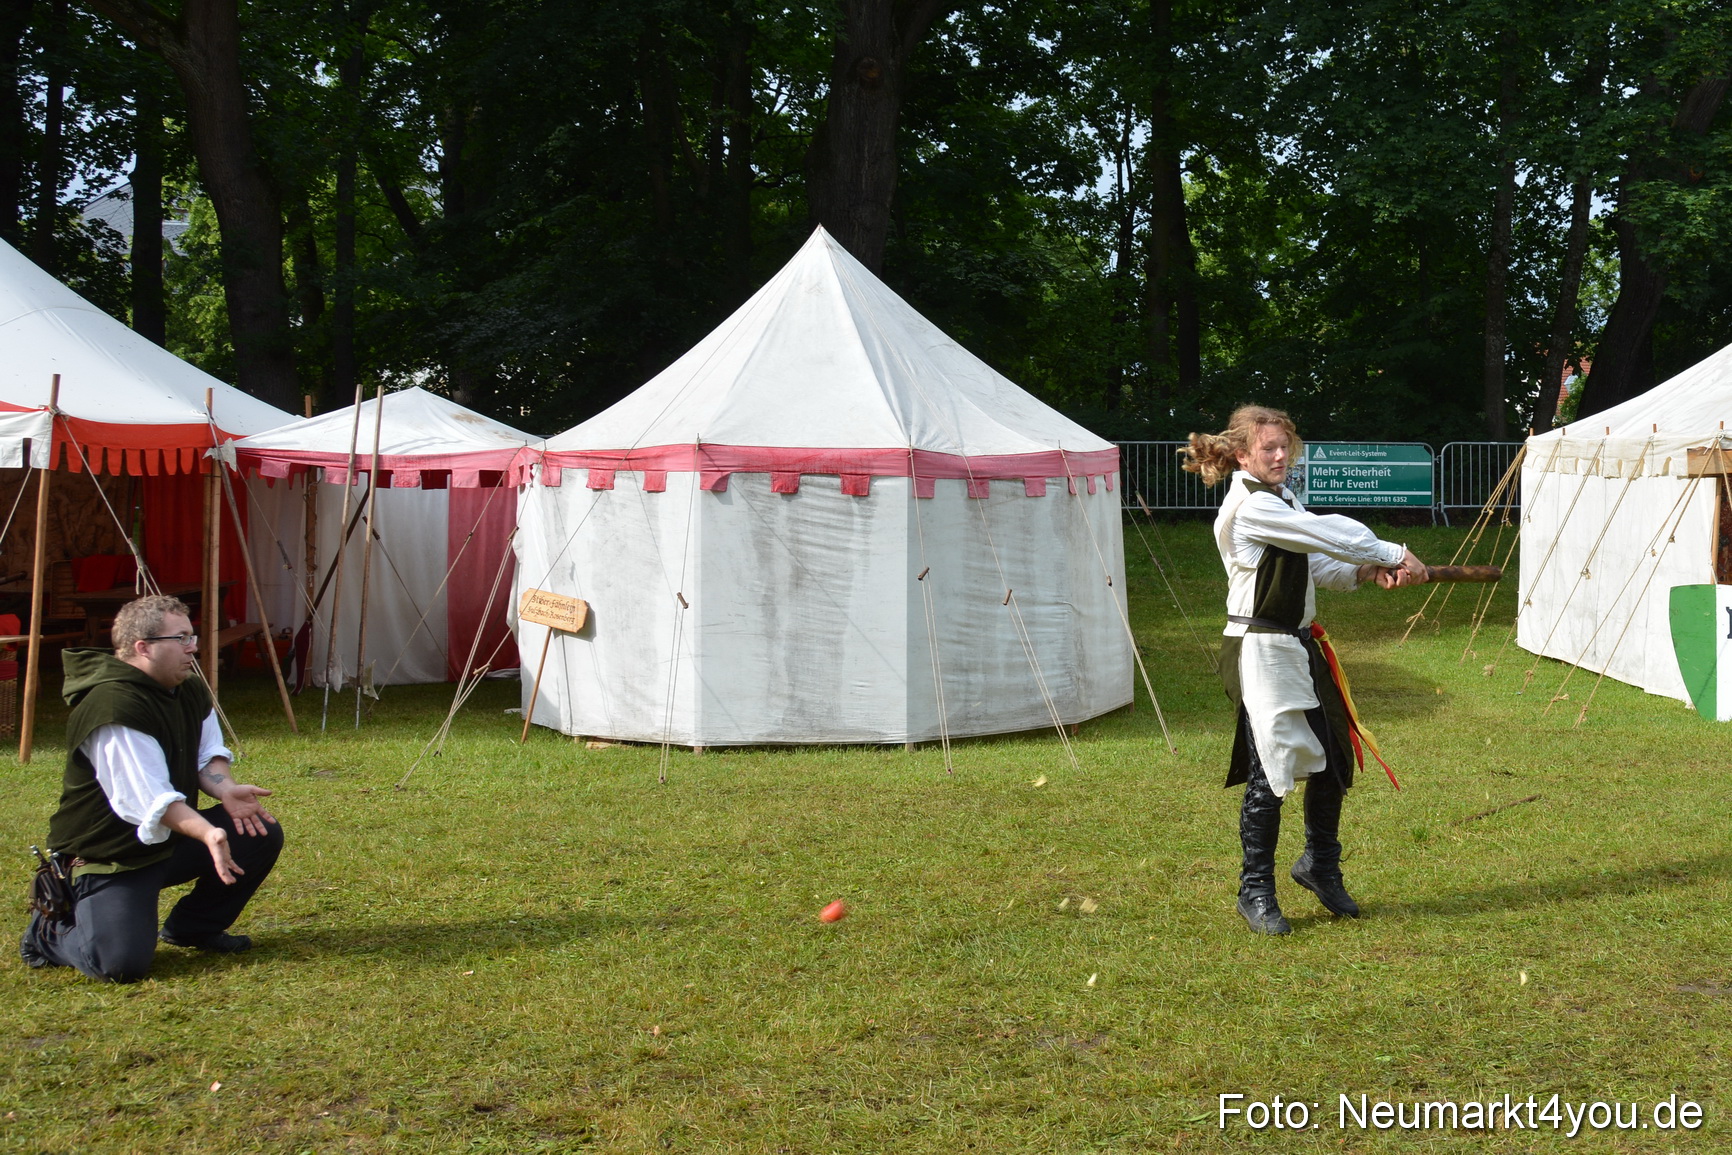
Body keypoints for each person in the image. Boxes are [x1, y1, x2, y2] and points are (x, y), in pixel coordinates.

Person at [1182, 407, 1425, 935]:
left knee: (1334, 755)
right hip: (1261, 650)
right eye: (1267, 447)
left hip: (1298, 645)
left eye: (1284, 447)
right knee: (1273, 768)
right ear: (1243, 454)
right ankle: (1256, 890)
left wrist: (1367, 569)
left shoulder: (1281, 501)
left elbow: (1318, 563)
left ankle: (1319, 864)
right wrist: (1396, 552)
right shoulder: (1251, 506)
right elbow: (1322, 533)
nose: (1279, 456)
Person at [20, 595, 283, 981]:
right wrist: (208, 832)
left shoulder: (188, 688)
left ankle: (194, 928)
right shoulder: (112, 707)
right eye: (181, 638)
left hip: (165, 843)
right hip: (109, 857)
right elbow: (147, 801)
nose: (193, 647)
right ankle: (47, 933)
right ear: (142, 648)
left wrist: (225, 788)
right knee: (119, 964)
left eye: (192, 636)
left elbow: (206, 754)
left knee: (257, 831)